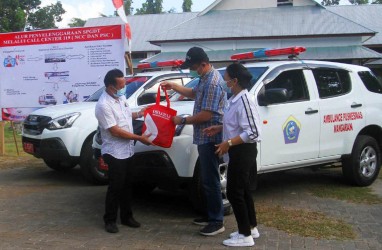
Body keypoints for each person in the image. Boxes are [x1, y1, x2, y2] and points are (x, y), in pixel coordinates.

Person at [161, 47, 227, 236]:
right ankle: (210, 214)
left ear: (204, 64)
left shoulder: (213, 83)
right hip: (204, 136)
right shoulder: (204, 79)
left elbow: (207, 115)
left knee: (211, 180)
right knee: (206, 179)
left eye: (194, 66)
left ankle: (216, 220)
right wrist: (173, 86)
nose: (193, 69)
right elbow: (192, 93)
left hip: (211, 136)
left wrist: (182, 120)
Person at [203, 63, 261, 247]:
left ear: (234, 81)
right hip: (237, 151)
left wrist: (228, 143)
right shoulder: (235, 99)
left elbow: (253, 132)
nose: (224, 81)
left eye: (226, 78)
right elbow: (237, 124)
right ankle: (250, 227)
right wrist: (220, 128)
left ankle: (245, 235)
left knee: (234, 192)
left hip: (243, 152)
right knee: (242, 191)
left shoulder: (245, 100)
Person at [95, 69, 152, 233]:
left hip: (127, 150)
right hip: (114, 151)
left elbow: (125, 115)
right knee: (116, 186)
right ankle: (110, 220)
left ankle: (127, 217)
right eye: (121, 85)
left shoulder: (120, 97)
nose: (124, 87)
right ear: (111, 87)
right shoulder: (103, 105)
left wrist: (139, 113)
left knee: (128, 185)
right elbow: (115, 130)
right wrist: (139, 137)